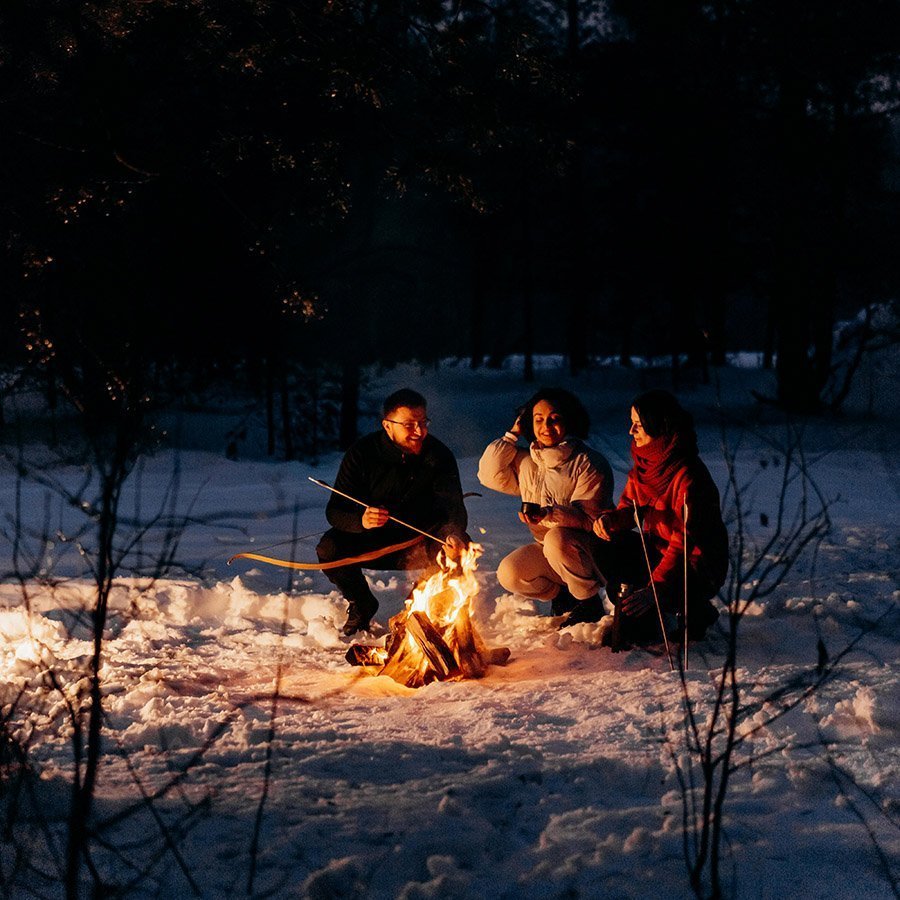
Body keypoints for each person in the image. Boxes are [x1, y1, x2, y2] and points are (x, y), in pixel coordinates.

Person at [316, 388, 469, 635]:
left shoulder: (438, 455)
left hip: (421, 540)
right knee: (329, 548)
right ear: (388, 426)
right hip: (371, 541)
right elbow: (335, 512)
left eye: (423, 422)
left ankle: (418, 610)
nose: (419, 431)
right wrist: (361, 521)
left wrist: (452, 534)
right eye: (409, 425)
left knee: (459, 547)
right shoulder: (362, 453)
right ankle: (362, 604)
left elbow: (454, 510)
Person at [592, 389, 728, 645]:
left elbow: (683, 543)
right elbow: (629, 508)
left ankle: (691, 608)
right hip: (657, 552)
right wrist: (610, 521)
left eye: (638, 424)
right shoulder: (645, 465)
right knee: (604, 543)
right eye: (631, 423)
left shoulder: (688, 476)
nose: (631, 431)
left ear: (657, 425)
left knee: (637, 632)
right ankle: (637, 609)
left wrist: (654, 590)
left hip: (693, 567)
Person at [477, 387, 614, 626]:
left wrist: (549, 514)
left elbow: (592, 521)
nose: (546, 427)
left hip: (590, 551)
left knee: (556, 539)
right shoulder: (528, 461)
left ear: (568, 420)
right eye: (538, 420)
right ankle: (562, 596)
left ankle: (588, 601)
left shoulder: (587, 462)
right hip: (548, 548)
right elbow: (489, 475)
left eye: (554, 419)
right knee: (510, 572)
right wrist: (512, 434)